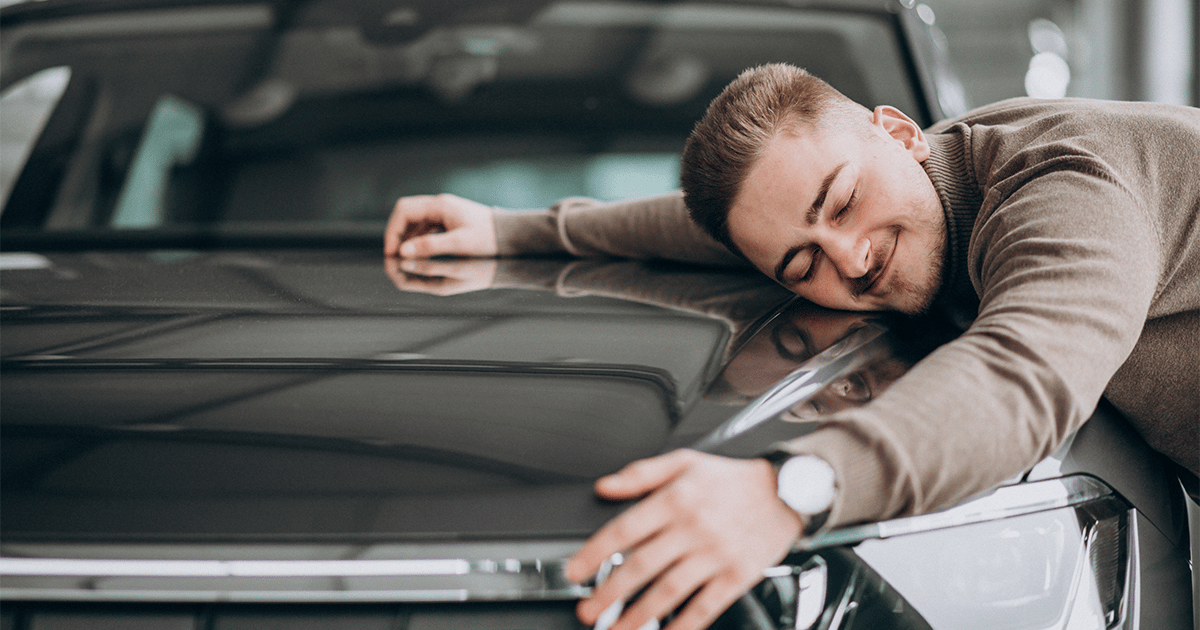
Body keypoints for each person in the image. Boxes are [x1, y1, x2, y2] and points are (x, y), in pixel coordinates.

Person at [385, 63, 1200, 630]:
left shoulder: (1063, 187)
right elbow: (718, 227)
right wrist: (511, 228)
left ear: (900, 132)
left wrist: (792, 488)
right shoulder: (921, 176)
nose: (848, 260)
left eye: (842, 203)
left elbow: (1026, 375)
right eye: (802, 265)